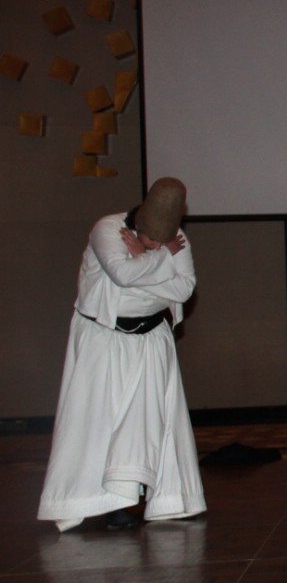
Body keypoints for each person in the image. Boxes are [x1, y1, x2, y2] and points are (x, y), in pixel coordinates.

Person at [38, 178, 207, 531]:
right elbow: (122, 274)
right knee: (99, 420)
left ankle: (143, 499)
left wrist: (146, 257)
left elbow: (184, 287)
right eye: (150, 241)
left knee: (147, 421)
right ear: (136, 227)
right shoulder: (107, 229)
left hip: (150, 340)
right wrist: (161, 261)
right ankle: (93, 501)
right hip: (104, 338)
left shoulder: (177, 241)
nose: (160, 246)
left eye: (165, 242)